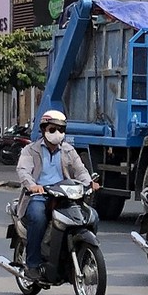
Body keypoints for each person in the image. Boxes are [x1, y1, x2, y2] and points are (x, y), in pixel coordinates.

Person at [16, 110, 100, 280]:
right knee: (38, 217)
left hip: (64, 195)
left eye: (61, 130)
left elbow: (80, 170)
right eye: (53, 129)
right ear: (44, 129)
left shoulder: (69, 150)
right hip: (40, 195)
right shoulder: (30, 150)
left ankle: (80, 252)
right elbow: (23, 170)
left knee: (92, 216)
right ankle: (33, 264)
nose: (58, 134)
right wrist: (32, 185)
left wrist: (89, 183)